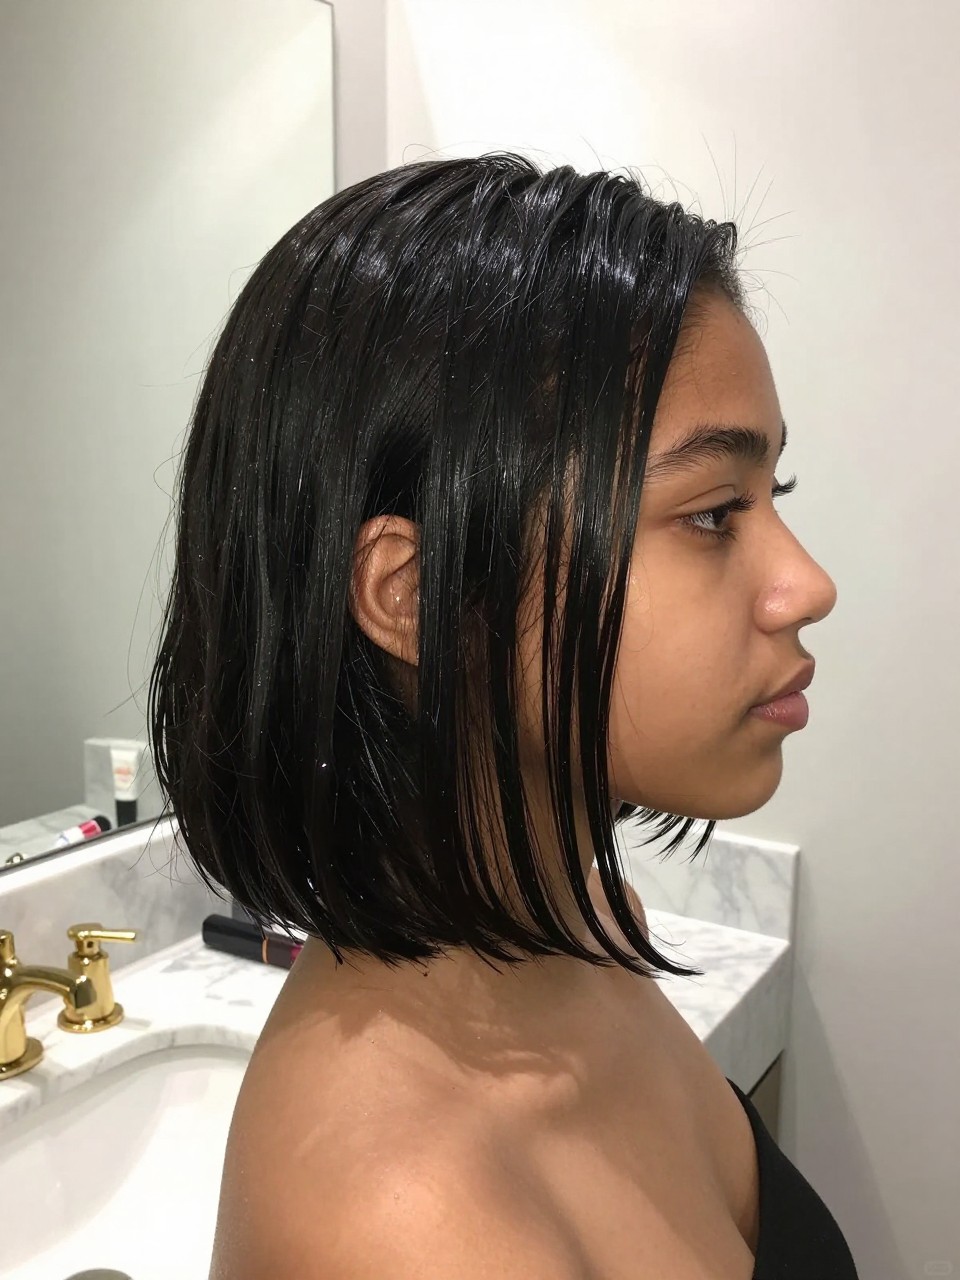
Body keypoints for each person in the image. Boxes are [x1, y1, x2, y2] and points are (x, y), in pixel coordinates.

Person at [149, 153, 845, 1278]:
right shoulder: (402, 1225)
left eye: (776, 497)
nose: (806, 585)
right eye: (716, 512)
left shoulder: (584, 923)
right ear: (415, 596)